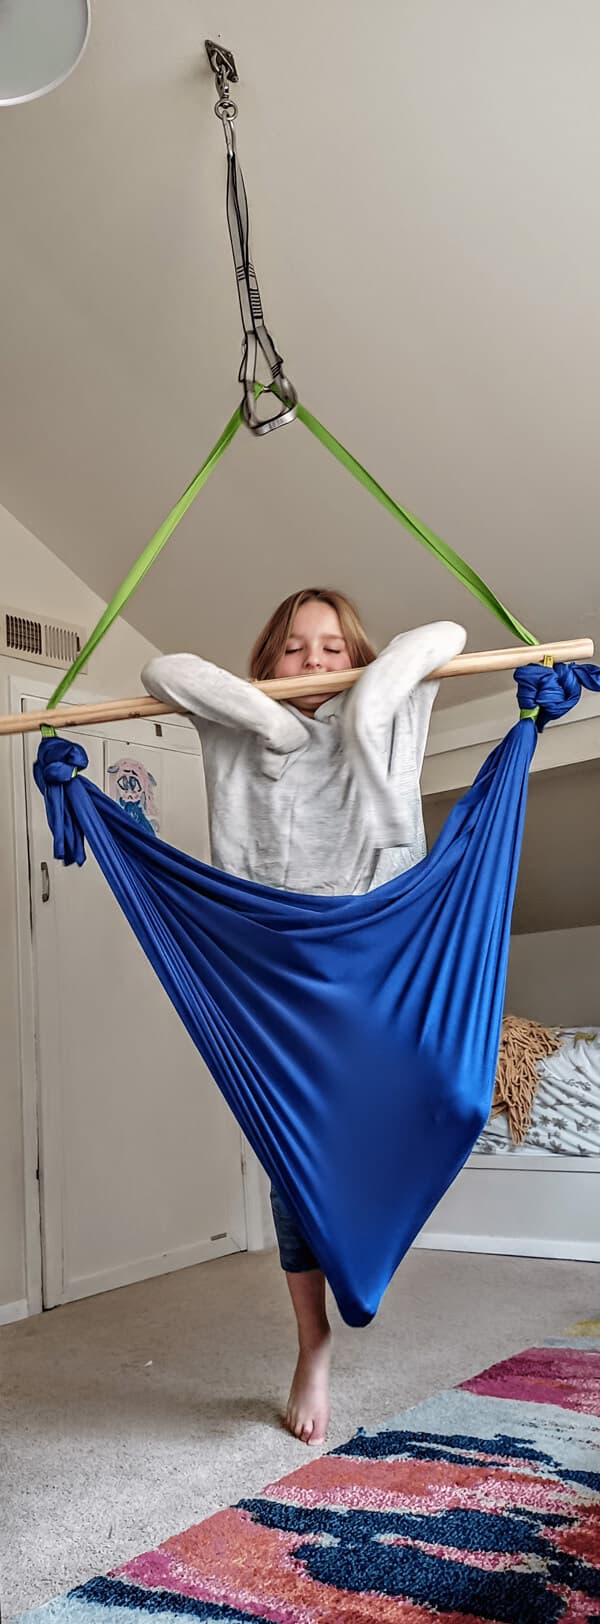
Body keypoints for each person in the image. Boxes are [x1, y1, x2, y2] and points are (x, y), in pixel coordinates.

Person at [142, 590, 466, 1445]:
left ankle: (362, 1257)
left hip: (383, 945)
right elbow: (162, 668)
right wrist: (271, 721)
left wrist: (372, 699)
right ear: (265, 664)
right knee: (293, 1158)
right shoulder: (236, 725)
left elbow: (449, 632)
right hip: (277, 961)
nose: (312, 660)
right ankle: (312, 1342)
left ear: (360, 656)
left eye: (332, 647)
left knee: (455, 1098)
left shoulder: (396, 705)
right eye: (293, 648)